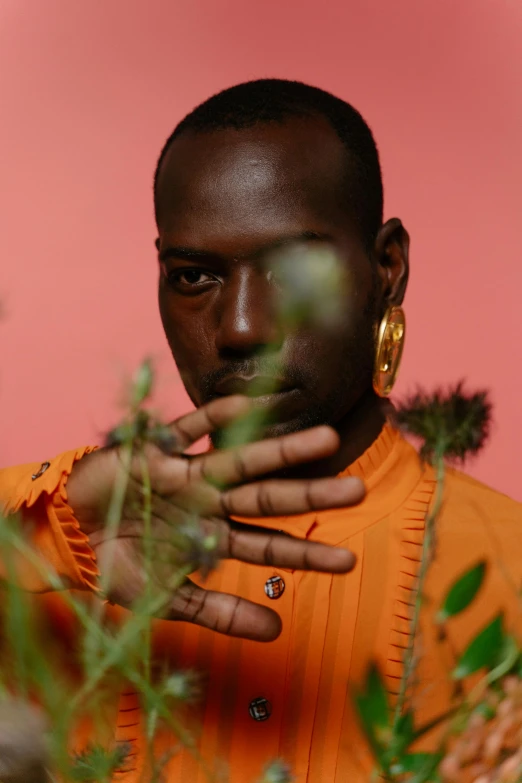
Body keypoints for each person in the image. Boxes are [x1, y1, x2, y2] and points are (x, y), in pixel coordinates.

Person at [1, 79, 521, 783]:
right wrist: (44, 536)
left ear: (387, 268)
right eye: (194, 277)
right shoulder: (52, 562)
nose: (243, 326)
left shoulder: (505, 571)